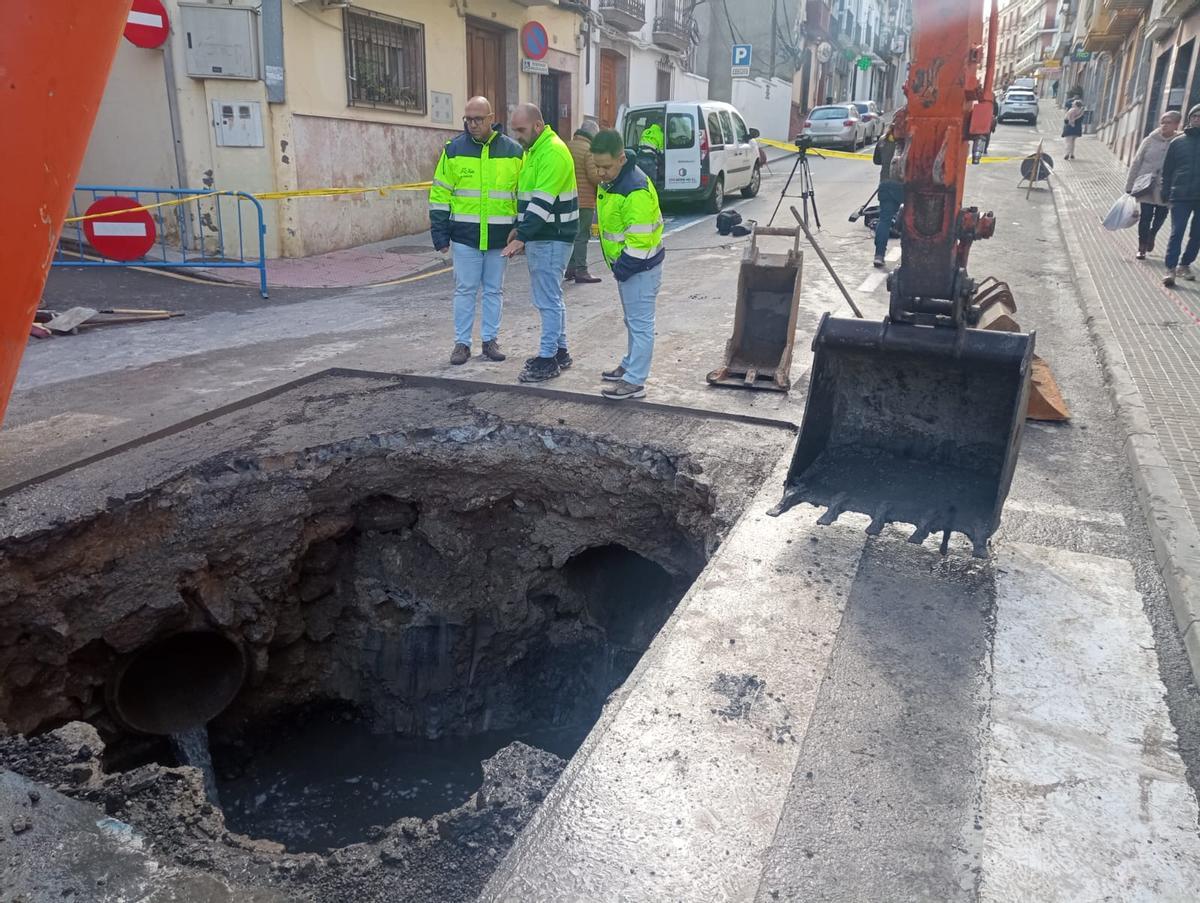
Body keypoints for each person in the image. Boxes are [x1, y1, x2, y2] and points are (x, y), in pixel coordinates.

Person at [428, 96, 523, 365]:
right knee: (465, 290)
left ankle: (490, 341)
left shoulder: (514, 152)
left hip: (500, 237)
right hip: (465, 237)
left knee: (494, 290)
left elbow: (522, 193)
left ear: (491, 118)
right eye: (468, 119)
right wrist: (439, 234)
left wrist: (521, 232)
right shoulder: (453, 150)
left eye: (478, 119)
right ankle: (462, 344)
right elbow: (440, 194)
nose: (472, 124)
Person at [502, 103, 580, 382]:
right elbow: (528, 197)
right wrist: (518, 227)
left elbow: (542, 203)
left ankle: (547, 359)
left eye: (521, 130)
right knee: (552, 297)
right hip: (547, 235)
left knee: (547, 300)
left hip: (551, 236)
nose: (517, 136)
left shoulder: (552, 152)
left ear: (537, 125)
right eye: (514, 130)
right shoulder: (535, 150)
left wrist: (521, 237)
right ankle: (559, 351)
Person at [589, 129, 665, 401]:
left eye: (606, 167)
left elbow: (640, 242)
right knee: (632, 321)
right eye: (597, 166)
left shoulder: (635, 190)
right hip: (630, 267)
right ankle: (630, 364)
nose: (601, 173)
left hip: (639, 268)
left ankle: (635, 382)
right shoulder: (615, 181)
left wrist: (622, 268)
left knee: (641, 325)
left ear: (621, 159)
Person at [1125, 110, 1182, 260]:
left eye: (1168, 122)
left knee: (1161, 215)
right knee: (1146, 216)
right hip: (1146, 185)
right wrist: (1129, 185)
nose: (1164, 125)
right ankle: (1142, 247)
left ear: (1176, 124)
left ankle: (1152, 234)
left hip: (1166, 186)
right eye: (1162, 122)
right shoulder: (1149, 140)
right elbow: (1136, 162)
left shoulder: (1179, 142)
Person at [1160, 105, 1200, 287]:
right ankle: (1170, 269)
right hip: (1180, 195)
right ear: (1189, 119)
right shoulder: (1177, 142)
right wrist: (1165, 190)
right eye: (1194, 116)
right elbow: (1167, 170)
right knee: (1177, 232)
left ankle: (1185, 264)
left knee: (1197, 234)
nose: (1197, 119)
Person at [564, 118, 603, 284]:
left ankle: (570, 268)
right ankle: (581, 270)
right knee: (582, 235)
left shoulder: (567, 146)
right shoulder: (589, 150)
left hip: (567, 199)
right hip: (584, 200)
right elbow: (593, 176)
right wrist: (603, 177)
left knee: (571, 234)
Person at [872, 109, 906, 268]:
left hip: (885, 185)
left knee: (884, 220)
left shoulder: (883, 140)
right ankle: (908, 257)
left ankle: (879, 255)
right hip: (905, 186)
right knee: (910, 222)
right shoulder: (909, 141)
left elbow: (877, 161)